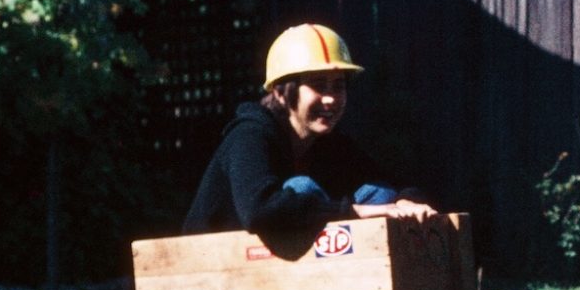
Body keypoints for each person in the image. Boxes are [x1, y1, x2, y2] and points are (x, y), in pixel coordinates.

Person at [182, 23, 437, 237]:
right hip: (220, 274)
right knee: (301, 188)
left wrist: (405, 202)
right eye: (318, 85)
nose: (331, 99)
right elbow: (260, 213)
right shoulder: (250, 135)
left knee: (379, 193)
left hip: (282, 276)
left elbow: (392, 183)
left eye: (338, 86)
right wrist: (353, 212)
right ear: (281, 93)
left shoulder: (328, 143)